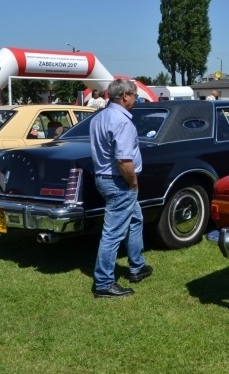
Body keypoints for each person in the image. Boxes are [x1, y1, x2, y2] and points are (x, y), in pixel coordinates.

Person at [89, 78, 151, 298]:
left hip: (104, 179)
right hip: (119, 182)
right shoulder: (122, 121)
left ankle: (137, 266)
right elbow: (123, 160)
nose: (136, 99)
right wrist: (133, 183)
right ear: (125, 95)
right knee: (113, 232)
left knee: (135, 219)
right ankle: (104, 283)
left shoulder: (100, 117)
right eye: (135, 95)